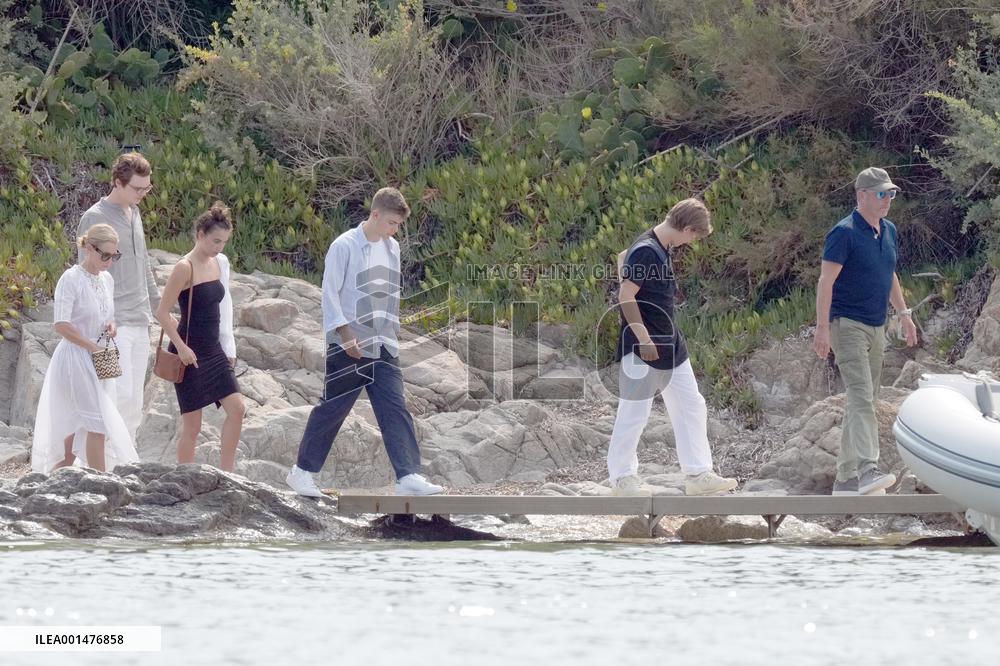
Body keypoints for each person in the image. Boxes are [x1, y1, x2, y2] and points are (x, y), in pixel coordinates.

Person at [286, 187, 443, 497]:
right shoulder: (343, 246)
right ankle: (301, 473)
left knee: (395, 407)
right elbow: (330, 293)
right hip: (349, 343)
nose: (395, 230)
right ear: (375, 215)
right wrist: (345, 335)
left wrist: (393, 331)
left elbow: (391, 293)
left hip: (383, 343)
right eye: (392, 223)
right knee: (333, 408)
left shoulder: (393, 248)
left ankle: (408, 476)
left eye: (398, 225)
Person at [609, 198, 738, 496]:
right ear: (687, 228)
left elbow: (622, 256)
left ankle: (698, 474)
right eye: (694, 236)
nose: (691, 242)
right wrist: (643, 338)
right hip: (644, 347)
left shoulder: (659, 245)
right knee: (634, 413)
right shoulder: (647, 250)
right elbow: (625, 296)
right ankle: (622, 478)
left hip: (671, 344)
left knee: (692, 405)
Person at [814, 167, 917, 496]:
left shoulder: (888, 230)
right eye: (881, 193)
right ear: (862, 195)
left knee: (866, 400)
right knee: (861, 397)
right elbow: (826, 281)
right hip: (847, 325)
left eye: (891, 194)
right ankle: (868, 469)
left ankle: (845, 480)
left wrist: (904, 314)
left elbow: (890, 274)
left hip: (877, 326)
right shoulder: (843, 233)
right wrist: (822, 329)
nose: (888, 199)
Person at [31, 224, 139, 473]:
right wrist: (91, 347)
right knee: (97, 423)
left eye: (114, 256)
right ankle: (102, 482)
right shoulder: (71, 279)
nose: (109, 262)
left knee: (73, 445)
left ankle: (51, 483)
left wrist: (111, 326)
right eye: (105, 255)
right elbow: (61, 324)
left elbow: (108, 316)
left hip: (98, 358)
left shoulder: (106, 280)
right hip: (74, 359)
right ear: (89, 248)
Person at [77, 151, 160, 445]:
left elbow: (143, 263)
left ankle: (127, 460)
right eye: (137, 188)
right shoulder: (95, 217)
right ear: (117, 182)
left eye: (147, 188)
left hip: (141, 321)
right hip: (112, 326)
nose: (142, 194)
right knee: (114, 395)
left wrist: (159, 307)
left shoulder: (135, 212)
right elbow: (86, 274)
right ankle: (105, 462)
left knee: (134, 400)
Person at [155, 202, 244, 472]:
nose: (220, 247)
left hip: (213, 349)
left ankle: (227, 474)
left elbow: (224, 307)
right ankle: (186, 477)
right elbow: (162, 312)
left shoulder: (218, 262)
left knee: (237, 409)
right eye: (216, 241)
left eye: (224, 242)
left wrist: (228, 346)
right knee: (192, 426)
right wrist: (181, 347)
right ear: (200, 234)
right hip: (189, 351)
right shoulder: (184, 267)